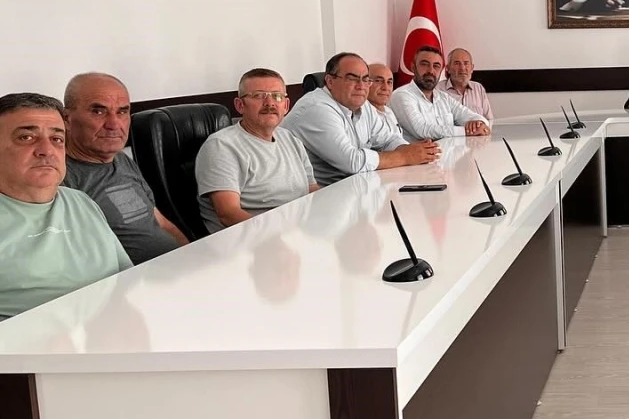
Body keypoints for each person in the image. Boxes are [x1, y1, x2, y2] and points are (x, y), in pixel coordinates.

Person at [0, 92, 132, 319]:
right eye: (26, 137)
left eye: (57, 139)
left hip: (111, 328)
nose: (47, 150)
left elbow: (126, 279)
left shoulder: (81, 201)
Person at [62, 72, 188, 263]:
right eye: (98, 111)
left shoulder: (121, 159)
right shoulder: (59, 177)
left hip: (177, 268)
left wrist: (191, 255)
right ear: (66, 119)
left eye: (122, 112)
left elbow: (160, 222)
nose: (114, 124)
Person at [281, 52, 441, 187]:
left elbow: (388, 139)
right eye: (352, 79)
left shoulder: (363, 105)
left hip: (353, 187)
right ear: (330, 81)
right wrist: (405, 156)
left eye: (366, 79)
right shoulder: (316, 108)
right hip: (315, 196)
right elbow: (352, 162)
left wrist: (412, 151)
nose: (361, 86)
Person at [194, 68, 320, 233]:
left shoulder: (290, 138)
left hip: (298, 230)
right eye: (259, 96)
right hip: (251, 239)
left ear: (286, 106)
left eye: (277, 96)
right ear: (240, 105)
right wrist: (280, 235)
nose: (270, 103)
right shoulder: (221, 146)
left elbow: (312, 190)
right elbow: (228, 214)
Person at [390, 46, 491, 141]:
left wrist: (478, 124)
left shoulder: (444, 98)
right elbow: (422, 130)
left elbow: (478, 118)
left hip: (447, 153)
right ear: (413, 67)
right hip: (417, 154)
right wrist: (466, 131)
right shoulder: (401, 95)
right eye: (424, 64)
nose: (431, 71)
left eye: (436, 66)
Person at [440, 48, 494, 122]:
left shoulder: (478, 88)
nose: (462, 68)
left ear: (472, 68)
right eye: (457, 63)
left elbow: (489, 120)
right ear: (448, 68)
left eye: (466, 63)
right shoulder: (438, 90)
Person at [366, 63, 403, 139]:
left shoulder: (388, 111)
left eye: (389, 82)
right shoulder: (362, 115)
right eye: (378, 81)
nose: (386, 88)